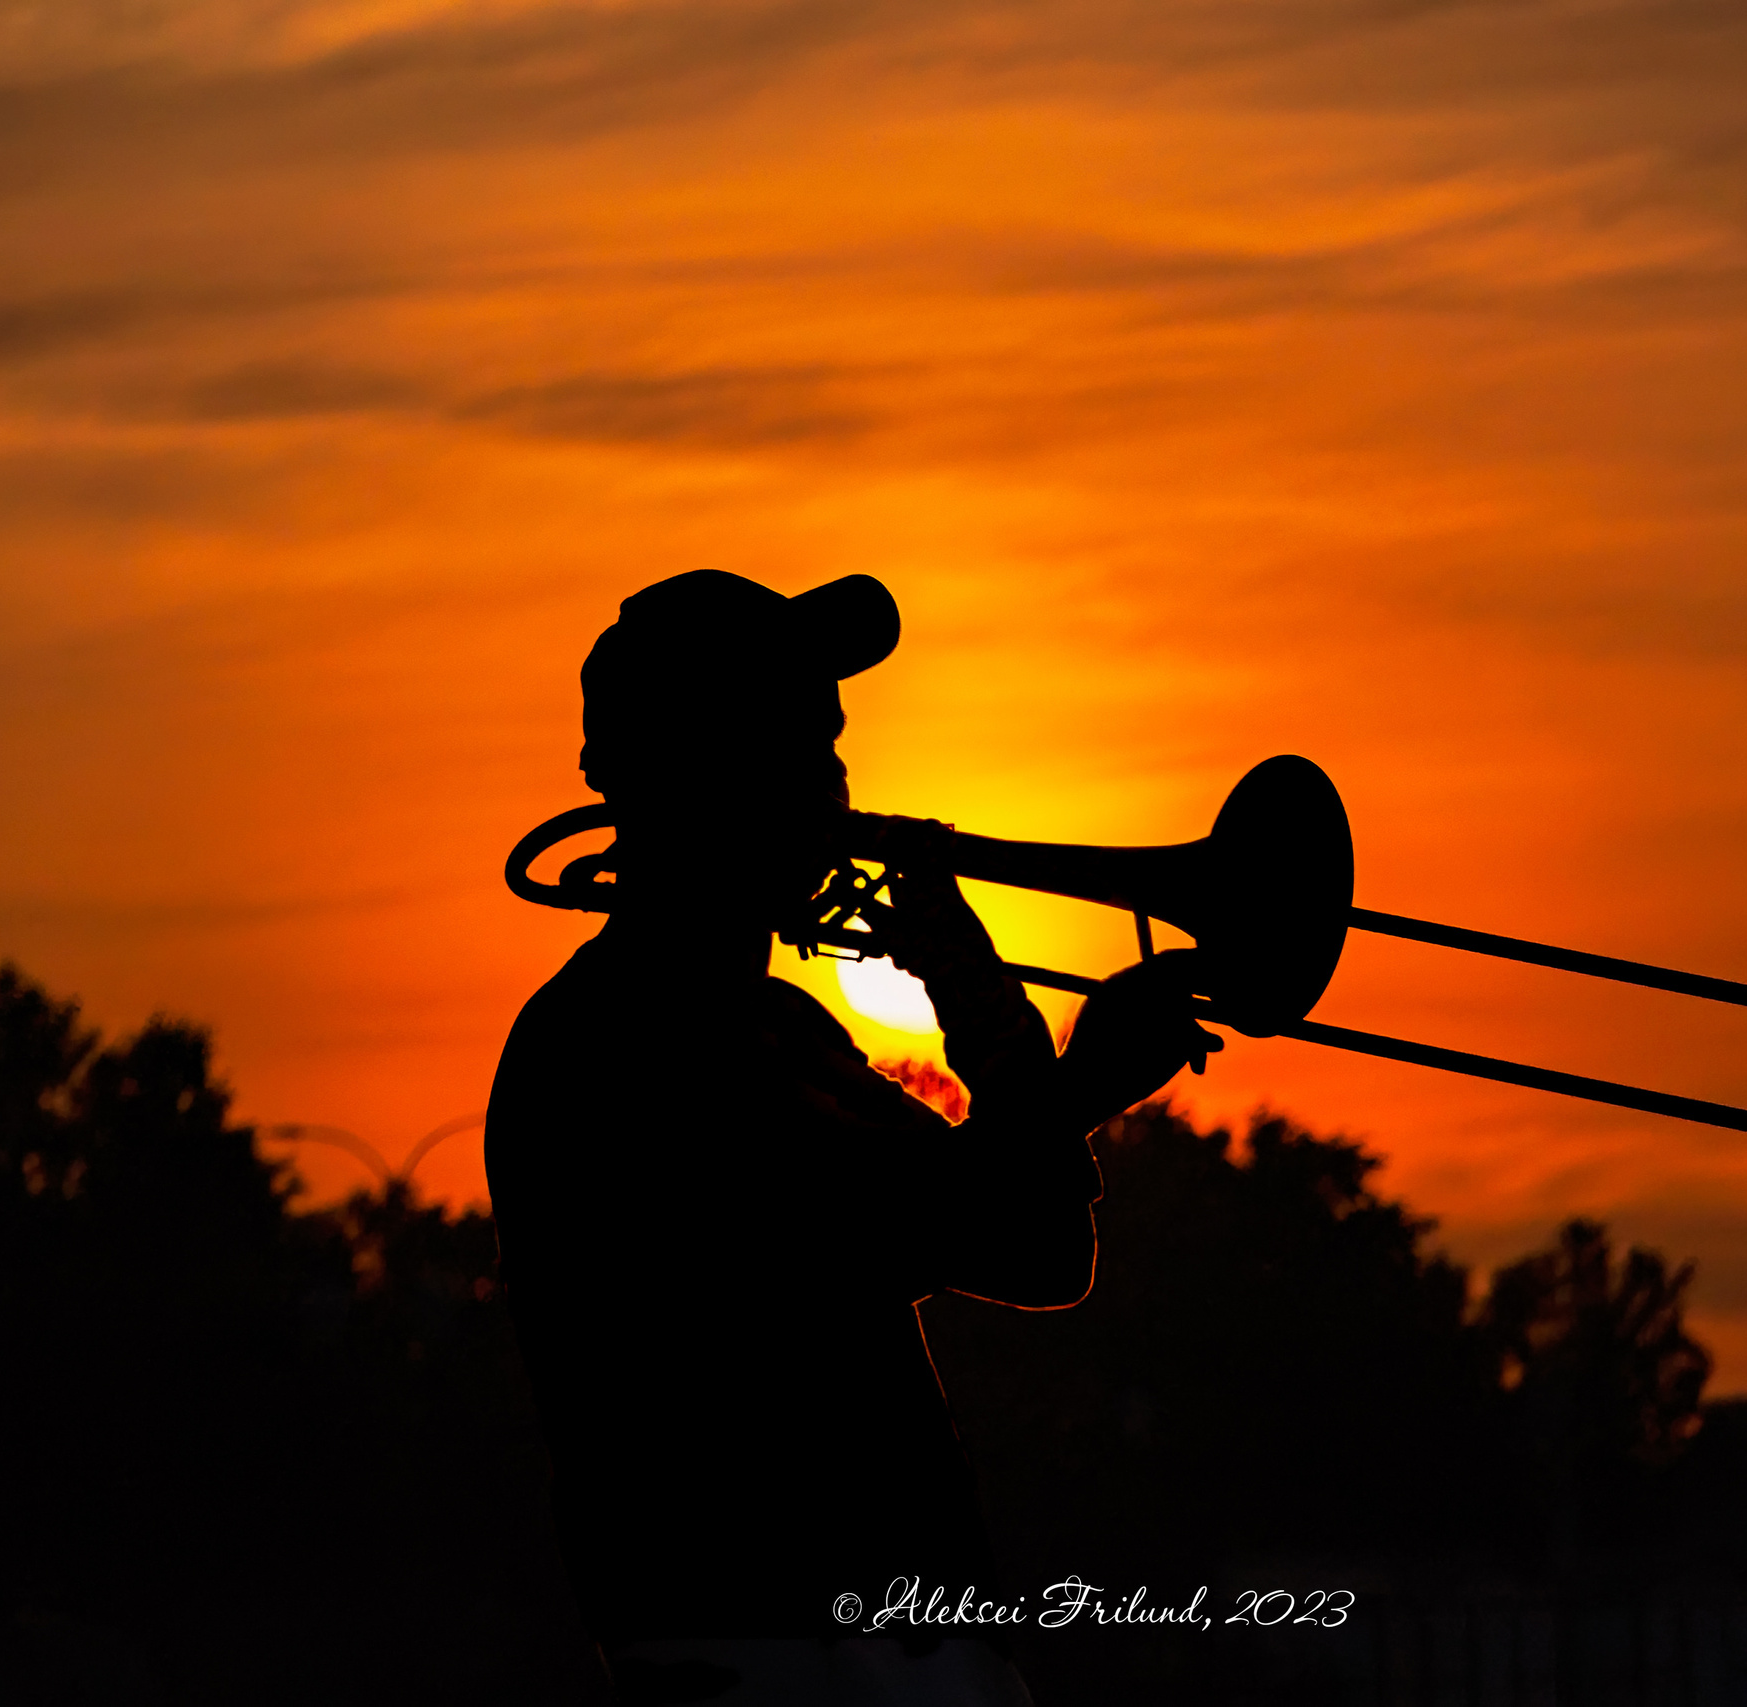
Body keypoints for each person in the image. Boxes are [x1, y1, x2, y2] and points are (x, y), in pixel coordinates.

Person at [486, 571, 1208, 1704]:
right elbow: (943, 1226)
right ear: (699, 774)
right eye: (794, 748)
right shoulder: (624, 1039)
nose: (833, 789)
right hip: (766, 1659)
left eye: (830, 747)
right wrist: (1037, 1058)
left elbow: (1037, 1255)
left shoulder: (781, 1027)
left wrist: (1026, 1049)